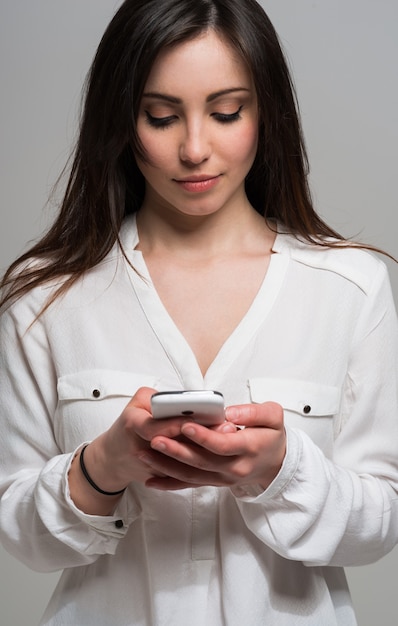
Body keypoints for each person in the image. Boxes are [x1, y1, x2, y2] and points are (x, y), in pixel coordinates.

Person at [0, 0, 397, 624]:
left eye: (226, 112)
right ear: (121, 121)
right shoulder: (46, 295)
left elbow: (381, 525)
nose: (193, 148)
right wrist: (101, 468)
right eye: (160, 117)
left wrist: (281, 473)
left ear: (266, 113)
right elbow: (18, 535)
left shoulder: (350, 286)